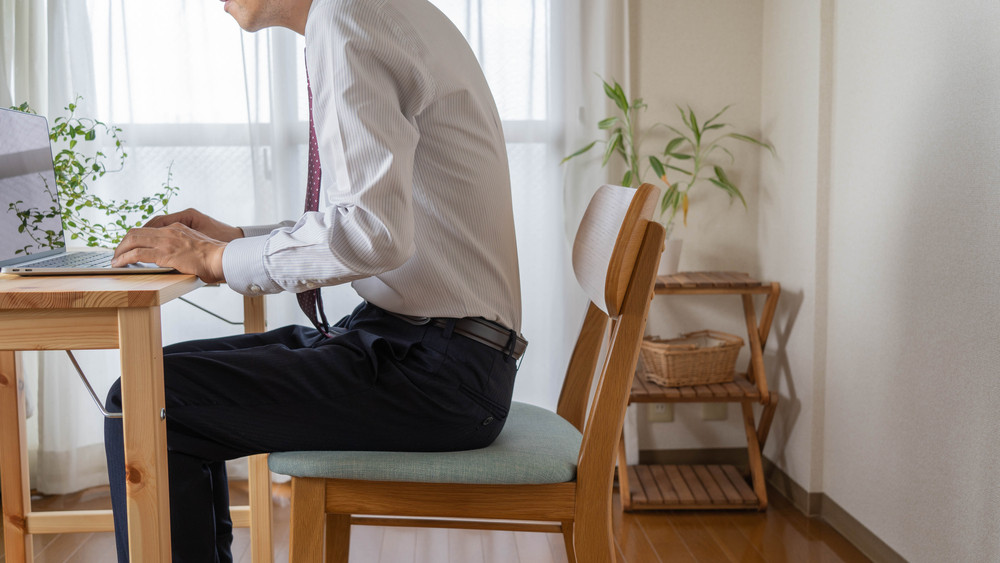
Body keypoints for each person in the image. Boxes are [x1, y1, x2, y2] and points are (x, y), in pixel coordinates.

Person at [103, 0, 524, 561]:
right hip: (433, 350)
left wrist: (215, 259)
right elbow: (370, 216)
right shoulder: (370, 10)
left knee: (147, 402)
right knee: (153, 388)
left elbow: (373, 235)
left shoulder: (349, 18)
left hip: (434, 371)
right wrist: (232, 241)